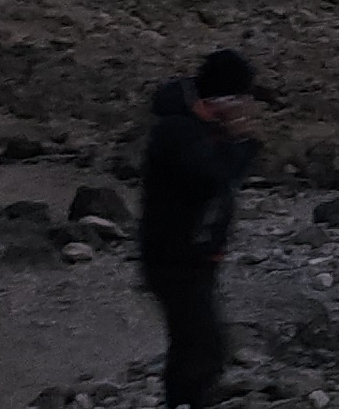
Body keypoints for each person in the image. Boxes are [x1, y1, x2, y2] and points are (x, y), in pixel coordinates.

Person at [138, 47, 267, 409]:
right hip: (175, 259)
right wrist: (241, 143)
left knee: (193, 345)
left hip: (193, 256)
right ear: (223, 97)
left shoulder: (199, 128)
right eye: (239, 97)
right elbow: (211, 178)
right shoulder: (179, 131)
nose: (244, 106)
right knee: (202, 348)